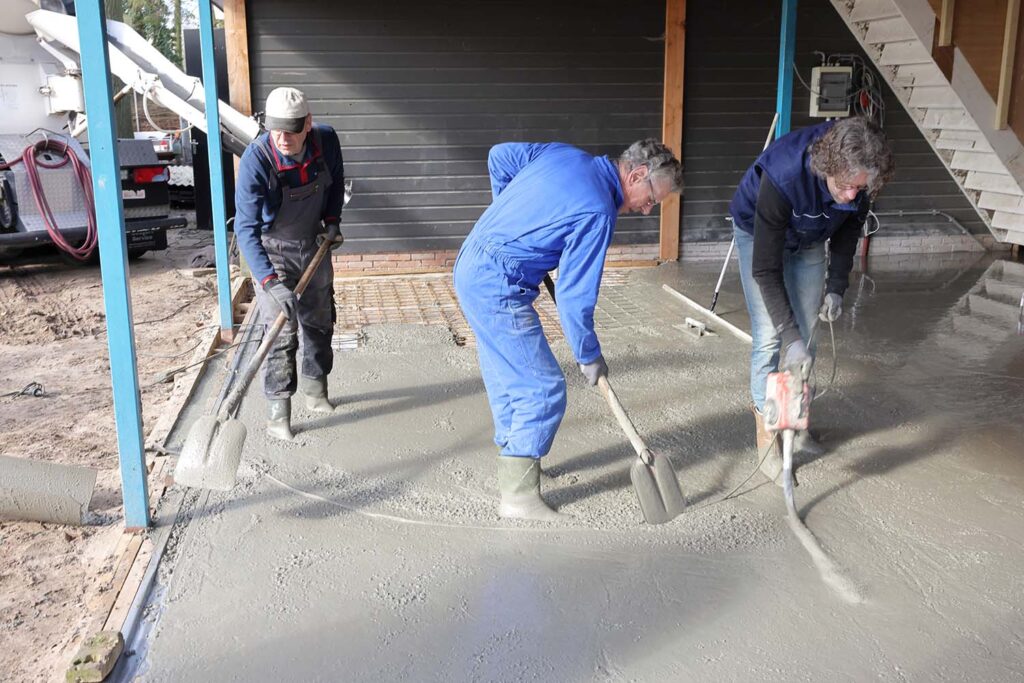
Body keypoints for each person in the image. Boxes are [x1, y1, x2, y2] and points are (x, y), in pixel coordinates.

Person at [454, 139, 684, 522]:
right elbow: (575, 298)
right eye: (651, 199)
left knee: (509, 376)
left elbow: (499, 155)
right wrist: (589, 355)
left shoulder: (565, 155)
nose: (647, 210)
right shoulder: (598, 211)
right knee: (542, 389)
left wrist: (513, 215)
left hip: (471, 264)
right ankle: (518, 498)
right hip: (498, 284)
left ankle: (518, 462)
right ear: (636, 174)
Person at [729, 116, 894, 484]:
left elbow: (850, 231)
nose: (853, 195)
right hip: (759, 232)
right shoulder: (784, 174)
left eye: (860, 188)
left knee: (808, 335)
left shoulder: (861, 178)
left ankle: (796, 430)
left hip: (811, 234)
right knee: (774, 336)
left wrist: (836, 286)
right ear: (828, 168)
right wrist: (790, 336)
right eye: (846, 186)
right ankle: (768, 440)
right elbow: (766, 271)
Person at [234, 87, 345, 441]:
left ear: (308, 124)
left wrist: (331, 221)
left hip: (314, 243)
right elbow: (245, 229)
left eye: (291, 130)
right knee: (281, 332)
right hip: (273, 252)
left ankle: (316, 392)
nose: (282, 138)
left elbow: (336, 182)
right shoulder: (257, 159)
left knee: (320, 321)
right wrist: (269, 282)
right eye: (274, 129)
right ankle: (278, 412)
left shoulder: (325, 141)